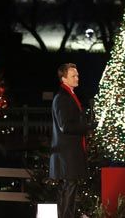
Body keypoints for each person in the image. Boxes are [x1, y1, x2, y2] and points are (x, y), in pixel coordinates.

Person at [50, 63, 89, 218]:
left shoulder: (67, 95)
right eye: (73, 75)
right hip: (67, 153)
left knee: (68, 188)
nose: (77, 78)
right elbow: (65, 126)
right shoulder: (62, 98)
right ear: (64, 78)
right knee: (69, 187)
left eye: (77, 75)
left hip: (68, 152)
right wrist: (87, 127)